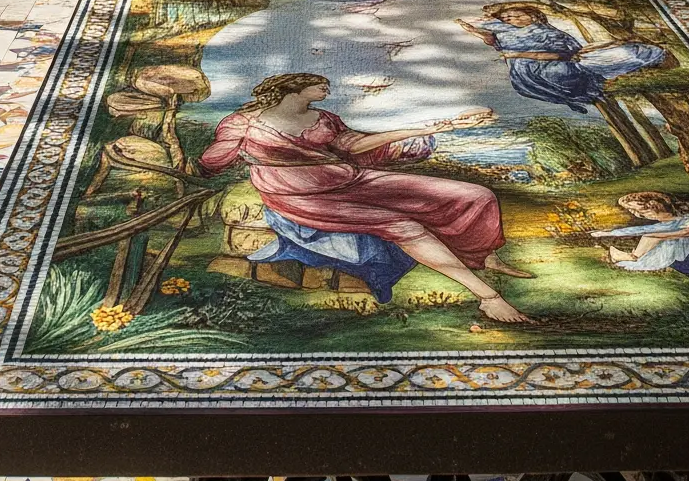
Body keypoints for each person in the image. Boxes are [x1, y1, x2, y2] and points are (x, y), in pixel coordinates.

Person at [199, 72, 535, 326]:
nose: (325, 91)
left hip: (350, 180)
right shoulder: (243, 123)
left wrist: (429, 128)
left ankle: (484, 256)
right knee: (403, 226)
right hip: (298, 196)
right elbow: (214, 161)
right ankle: (488, 298)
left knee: (475, 195)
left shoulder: (324, 118)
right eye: (318, 86)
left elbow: (355, 146)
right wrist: (216, 158)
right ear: (293, 89)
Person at [467, 1, 665, 110]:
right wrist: (475, 31)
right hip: (525, 74)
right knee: (532, 88)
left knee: (560, 73)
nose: (512, 20)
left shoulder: (547, 32)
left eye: (518, 15)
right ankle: (572, 97)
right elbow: (495, 41)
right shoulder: (509, 34)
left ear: (533, 16)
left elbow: (562, 54)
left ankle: (585, 89)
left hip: (553, 66)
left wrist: (518, 53)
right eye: (507, 18)